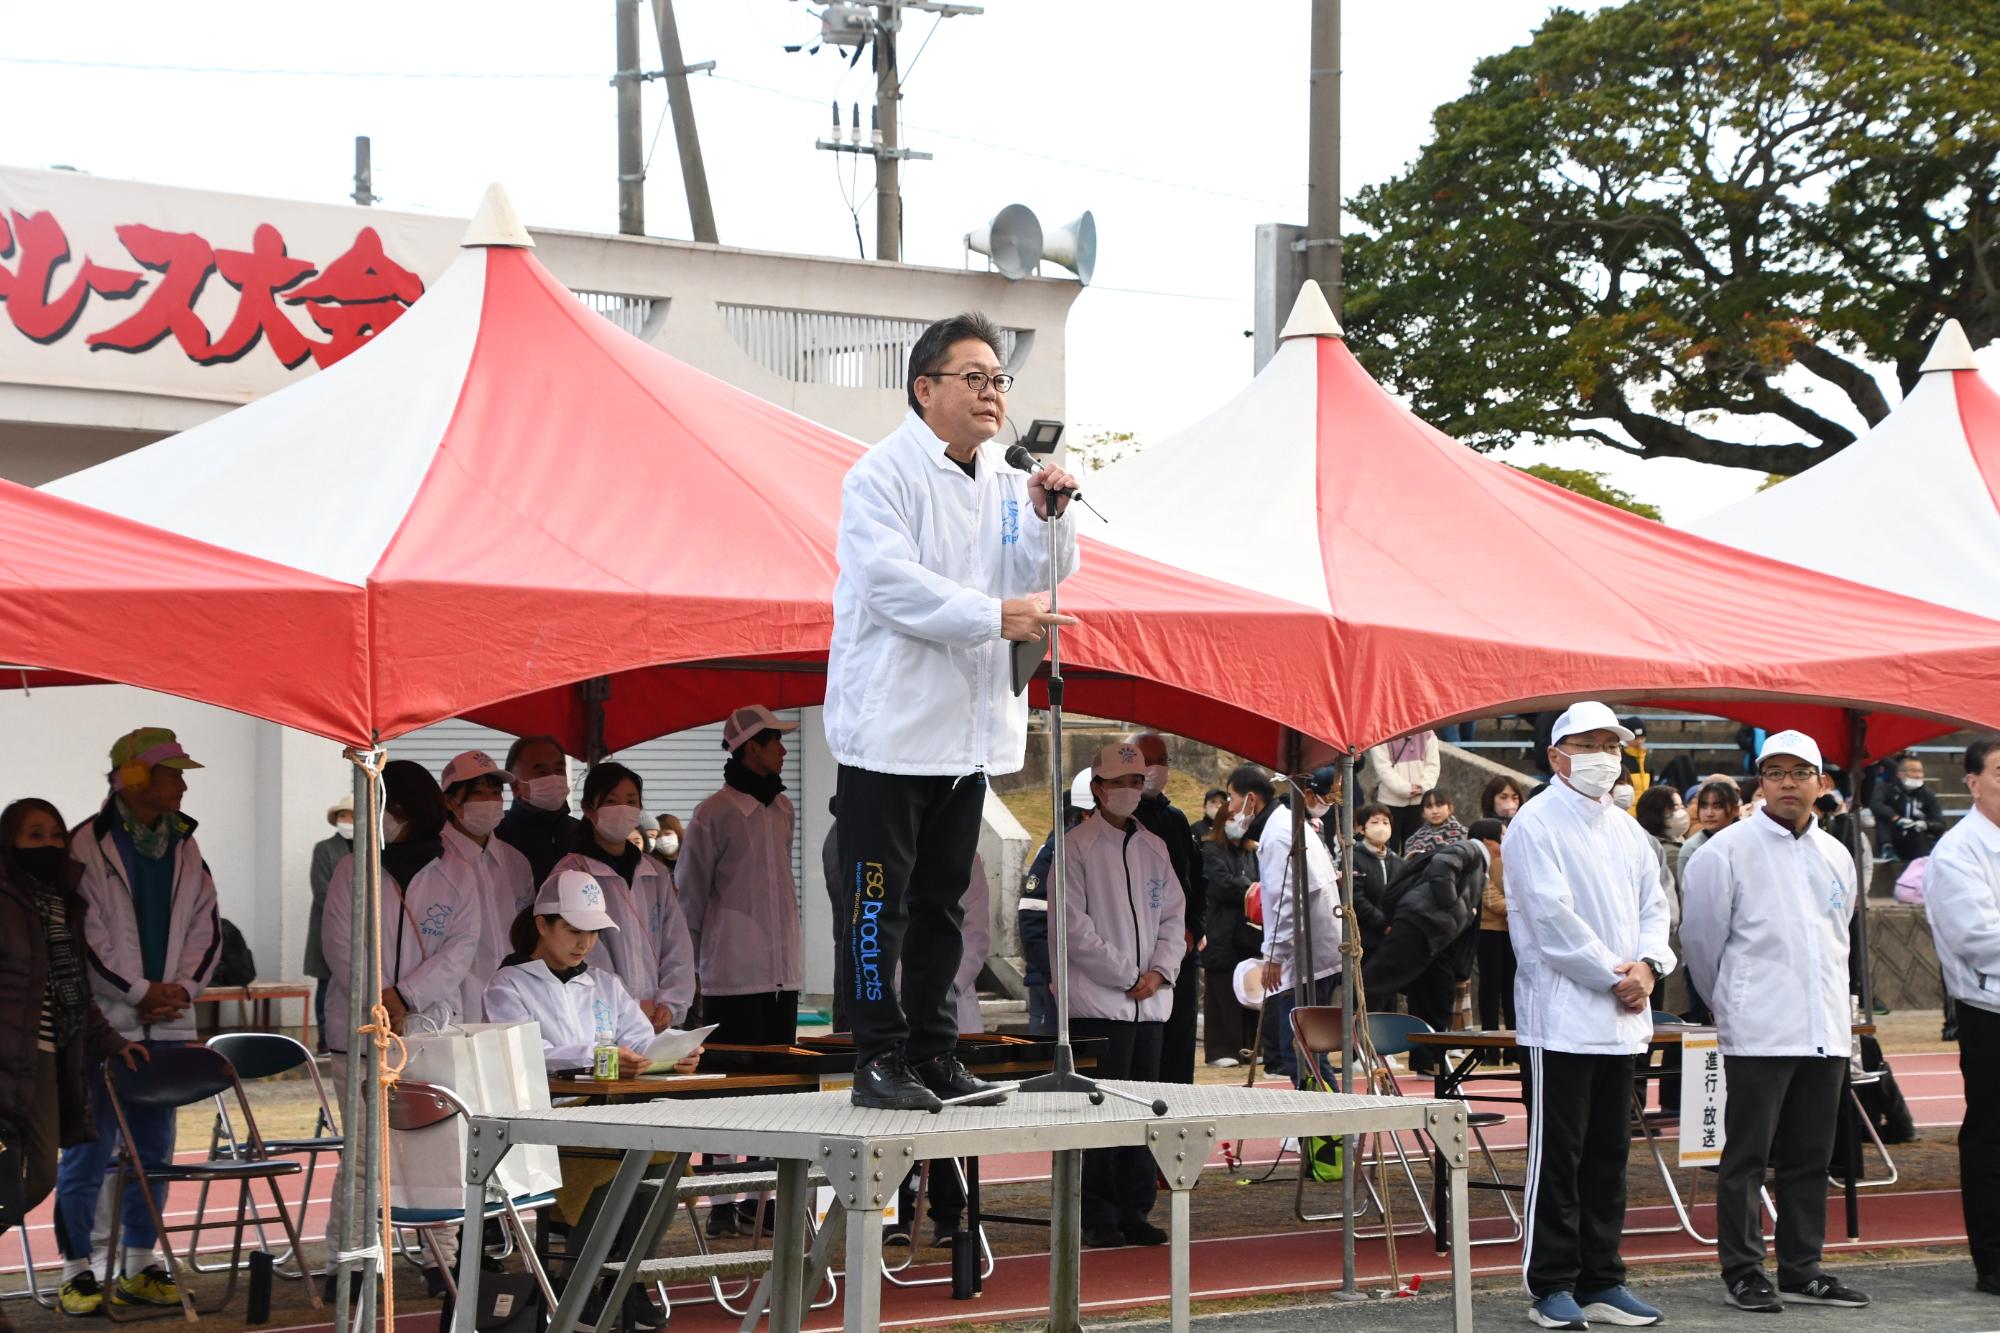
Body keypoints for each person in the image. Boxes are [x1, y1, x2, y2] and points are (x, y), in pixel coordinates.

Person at [824, 310, 1079, 1111]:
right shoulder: (879, 475)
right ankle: (876, 1053)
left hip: (965, 736)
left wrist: (1050, 513)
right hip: (892, 732)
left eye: (1000, 379)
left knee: (944, 902)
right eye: (975, 377)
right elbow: (890, 584)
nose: (992, 393)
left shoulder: (1007, 478)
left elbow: (1046, 569)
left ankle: (935, 1051)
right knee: (877, 901)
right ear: (923, 386)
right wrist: (991, 615)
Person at [1682, 730, 1870, 1313]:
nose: (1789, 782)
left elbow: (1840, 940)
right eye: (1775, 772)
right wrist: (1734, 1001)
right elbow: (1703, 944)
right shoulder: (1726, 851)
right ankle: (1743, 1269)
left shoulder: (1836, 853)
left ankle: (1801, 1267)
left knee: (1810, 1155)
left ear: (1820, 782)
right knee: (1746, 1156)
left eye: (1801, 772)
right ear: (1759, 783)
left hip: (1825, 1028)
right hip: (1758, 1025)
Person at [1506, 701, 1672, 1330]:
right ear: (1556, 756)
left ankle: (1603, 1278)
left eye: (1612, 743)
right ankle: (1550, 1283)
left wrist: (1650, 967)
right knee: (1559, 1157)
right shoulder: (1536, 824)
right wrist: (1616, 975)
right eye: (1591, 743)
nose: (1606, 755)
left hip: (1622, 1021)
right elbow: (1552, 922)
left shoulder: (1627, 829)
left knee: (1609, 1156)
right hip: (1563, 1019)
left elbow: (1655, 907)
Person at [483, 869, 701, 1332]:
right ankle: (588, 1280)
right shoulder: (508, 985)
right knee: (635, 1157)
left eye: (594, 933)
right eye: (574, 931)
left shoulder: (605, 983)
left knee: (669, 1159)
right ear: (543, 925)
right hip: (548, 1122)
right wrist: (601, 1058)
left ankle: (618, 1279)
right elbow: (526, 1055)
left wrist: (671, 1056)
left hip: (610, 1115)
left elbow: (642, 1043)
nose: (585, 944)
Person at [57, 728, 220, 1315]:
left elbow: (208, 925)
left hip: (167, 1024)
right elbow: (83, 938)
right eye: (171, 771)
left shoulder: (185, 844)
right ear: (133, 776)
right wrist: (139, 993)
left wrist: (182, 991)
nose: (181, 782)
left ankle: (138, 1264)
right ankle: (76, 1270)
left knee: (154, 1154)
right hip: (106, 1024)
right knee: (88, 1151)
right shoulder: (85, 844)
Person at [0, 799, 148, 1323]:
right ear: (8, 842)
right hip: (5, 1056)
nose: (47, 844)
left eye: (54, 835)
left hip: (43, 1060)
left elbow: (75, 990)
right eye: (33, 834)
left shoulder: (64, 900)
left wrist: (111, 1040)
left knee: (37, 1176)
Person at [1063, 743, 1184, 1249]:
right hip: (1101, 1006)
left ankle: (1135, 1208)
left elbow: (1174, 918)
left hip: (1149, 1007)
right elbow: (1072, 927)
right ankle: (1097, 1212)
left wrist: (1159, 972)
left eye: (1136, 783)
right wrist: (1127, 973)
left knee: (1144, 1112)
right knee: (1100, 1113)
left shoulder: (1155, 847)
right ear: (1097, 789)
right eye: (1120, 783)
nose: (1129, 792)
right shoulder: (1075, 848)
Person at [1920, 735, 2000, 1299]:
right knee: (1993, 1136)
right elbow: (1977, 937)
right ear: (1971, 782)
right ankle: (1993, 1258)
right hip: (1990, 1011)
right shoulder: (1958, 851)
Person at [677, 705, 804, 1045]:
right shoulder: (713, 812)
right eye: (775, 741)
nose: (784, 750)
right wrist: (689, 970)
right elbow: (690, 894)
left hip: (784, 974)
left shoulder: (783, 808)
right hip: (732, 974)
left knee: (784, 1081)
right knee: (738, 1077)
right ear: (752, 747)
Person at [550, 763, 696, 1033]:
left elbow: (677, 944)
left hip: (657, 1018)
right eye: (611, 801)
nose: (622, 808)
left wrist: (670, 1002)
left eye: (631, 801)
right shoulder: (572, 872)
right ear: (589, 809)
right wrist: (628, 1004)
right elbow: (582, 951)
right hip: (598, 1016)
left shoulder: (655, 873)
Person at [1362, 820, 1503, 1039]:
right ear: (1487, 840)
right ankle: (1353, 1044)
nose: (1507, 841)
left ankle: (1429, 1059)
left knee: (1435, 993)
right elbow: (1443, 864)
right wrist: (1449, 905)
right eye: (1503, 836)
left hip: (1435, 937)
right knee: (1376, 981)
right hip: (1420, 923)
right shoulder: (1472, 848)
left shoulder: (1481, 864)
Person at [1247, 766, 1343, 1085]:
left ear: (1250, 800)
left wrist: (1273, 954)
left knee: (1302, 1050)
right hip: (1316, 950)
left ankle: (1328, 1131)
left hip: (1307, 956)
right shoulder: (1293, 828)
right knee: (1307, 1047)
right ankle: (1325, 1129)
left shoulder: (1280, 833)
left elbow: (1286, 900)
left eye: (1232, 800)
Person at [427, 751, 537, 1024]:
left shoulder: (516, 861)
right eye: (478, 793)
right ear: (450, 801)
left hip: (514, 999)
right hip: (453, 1003)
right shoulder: (434, 860)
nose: (490, 801)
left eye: (495, 793)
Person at [1129, 732, 1203, 1084]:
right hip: (1136, 958)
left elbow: (1195, 885)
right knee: (1142, 1062)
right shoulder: (1120, 821)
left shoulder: (1176, 820)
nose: (1157, 768)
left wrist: (1194, 931)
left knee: (1178, 1055)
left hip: (1182, 956)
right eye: (1148, 759)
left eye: (1163, 760)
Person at [1019, 770, 1095, 1038]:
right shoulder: (1056, 852)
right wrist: (1055, 975)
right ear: (1086, 813)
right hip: (1065, 981)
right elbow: (1032, 917)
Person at [1199, 788, 1262, 1067]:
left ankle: (1249, 1047)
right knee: (1222, 992)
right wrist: (1251, 888)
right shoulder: (1210, 850)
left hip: (1247, 934)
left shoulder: (1250, 852)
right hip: (1221, 931)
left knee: (1249, 992)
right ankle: (1221, 1050)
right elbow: (1222, 885)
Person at [494, 734, 580, 888]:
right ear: (515, 786)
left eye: (559, 769)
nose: (553, 777)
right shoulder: (495, 836)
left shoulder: (583, 833)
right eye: (541, 771)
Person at [305, 795, 353, 1050]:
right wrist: (347, 913)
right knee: (326, 980)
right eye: (344, 816)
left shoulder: (372, 847)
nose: (348, 821)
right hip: (329, 926)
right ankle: (324, 1037)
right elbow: (321, 889)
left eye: (353, 816)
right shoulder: (324, 848)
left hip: (362, 930)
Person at [1869, 752, 1947, 868]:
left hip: (1916, 839)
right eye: (1914, 771)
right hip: (1894, 836)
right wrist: (1896, 818)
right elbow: (1876, 805)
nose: (1918, 775)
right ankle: (1887, 849)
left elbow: (1940, 822)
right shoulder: (1887, 789)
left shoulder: (1927, 795)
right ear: (1901, 774)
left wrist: (1927, 825)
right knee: (1882, 817)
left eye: (1920, 771)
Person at [1367, 730, 1440, 852]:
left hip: (1419, 802)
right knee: (1389, 848)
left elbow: (1433, 765)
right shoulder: (1381, 733)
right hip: (1390, 801)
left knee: (1415, 850)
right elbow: (1383, 768)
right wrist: (1406, 788)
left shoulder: (1428, 733)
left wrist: (1424, 786)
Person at [1351, 803, 1402, 959]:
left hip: (1393, 937)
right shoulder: (1353, 858)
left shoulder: (1397, 861)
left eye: (1385, 822)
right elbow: (1356, 897)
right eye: (1375, 822)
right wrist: (1383, 924)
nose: (1381, 827)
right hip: (1364, 939)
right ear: (1361, 828)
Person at [1403, 788, 1467, 858]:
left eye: (1439, 805)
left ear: (1450, 808)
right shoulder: (1413, 840)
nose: (1434, 811)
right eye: (1429, 806)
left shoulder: (1464, 834)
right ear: (1423, 813)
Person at [1619, 719, 1652, 799]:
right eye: (1636, 738)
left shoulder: (1646, 755)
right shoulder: (1620, 756)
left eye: (1642, 738)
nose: (1639, 741)